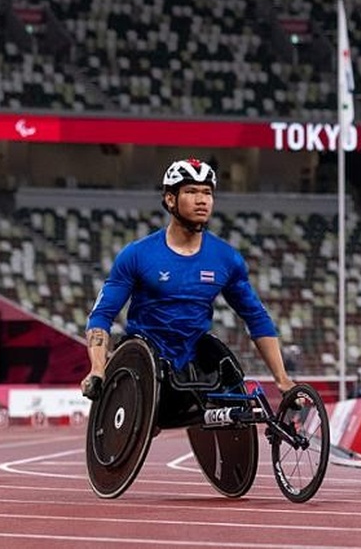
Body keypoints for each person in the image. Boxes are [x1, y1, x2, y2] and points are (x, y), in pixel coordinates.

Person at [81, 158, 295, 401]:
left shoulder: (226, 258)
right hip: (145, 358)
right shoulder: (137, 255)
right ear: (170, 199)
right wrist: (97, 369)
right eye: (191, 192)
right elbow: (102, 314)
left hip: (196, 359)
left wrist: (282, 379)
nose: (202, 200)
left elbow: (256, 317)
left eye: (207, 193)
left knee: (235, 390)